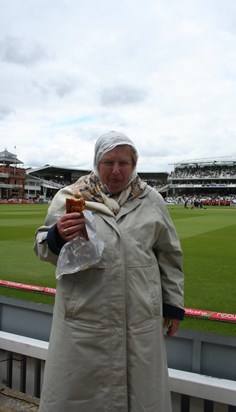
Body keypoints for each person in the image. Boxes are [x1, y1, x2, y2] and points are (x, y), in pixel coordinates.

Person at [34, 131, 184, 412]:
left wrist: (173, 305)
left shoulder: (151, 200)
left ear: (133, 164)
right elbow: (42, 247)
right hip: (85, 322)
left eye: (123, 163)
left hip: (139, 319)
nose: (116, 171)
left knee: (140, 397)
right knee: (80, 398)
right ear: (96, 163)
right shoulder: (69, 197)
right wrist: (56, 236)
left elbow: (169, 254)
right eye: (108, 162)